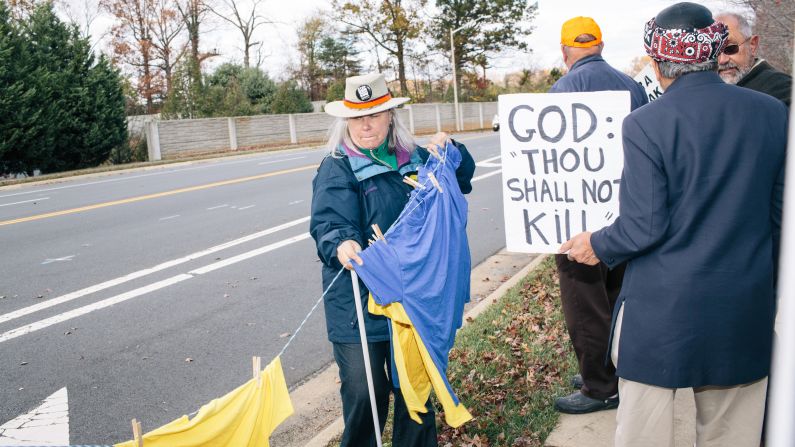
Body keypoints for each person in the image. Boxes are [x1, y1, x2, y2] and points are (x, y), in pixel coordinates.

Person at [560, 3, 787, 446]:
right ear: (714, 50)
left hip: (661, 314)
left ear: (658, 62)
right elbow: (779, 218)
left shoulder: (646, 124)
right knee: (732, 435)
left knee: (644, 436)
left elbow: (643, 225)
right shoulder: (772, 113)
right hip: (743, 307)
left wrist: (596, 243)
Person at [309, 72, 475, 447]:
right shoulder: (337, 166)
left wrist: (455, 151)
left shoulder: (415, 158)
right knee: (365, 391)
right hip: (357, 302)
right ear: (346, 121)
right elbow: (329, 221)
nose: (365, 125)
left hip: (413, 299)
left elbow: (460, 177)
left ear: (391, 117)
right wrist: (341, 244)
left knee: (413, 389)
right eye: (356, 117)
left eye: (374, 114)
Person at [548, 16, 648, 415]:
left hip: (576, 220)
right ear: (601, 47)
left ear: (565, 52)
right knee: (617, 297)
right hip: (624, 217)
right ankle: (613, 371)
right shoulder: (633, 87)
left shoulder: (561, 88)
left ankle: (599, 387)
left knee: (585, 305)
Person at [715, 11, 792, 107]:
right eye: (714, 52)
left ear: (752, 45)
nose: (722, 60)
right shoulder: (709, 91)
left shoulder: (783, 88)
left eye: (730, 48)